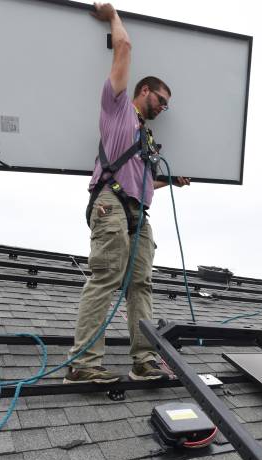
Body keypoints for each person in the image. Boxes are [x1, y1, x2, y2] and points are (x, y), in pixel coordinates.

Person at [65, 2, 190, 384]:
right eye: (161, 100)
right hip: (110, 204)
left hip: (138, 212)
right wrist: (112, 15)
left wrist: (172, 181)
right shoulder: (117, 108)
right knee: (105, 277)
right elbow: (124, 49)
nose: (164, 108)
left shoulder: (146, 137)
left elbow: (144, 183)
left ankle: (144, 359)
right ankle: (83, 363)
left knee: (141, 284)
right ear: (144, 91)